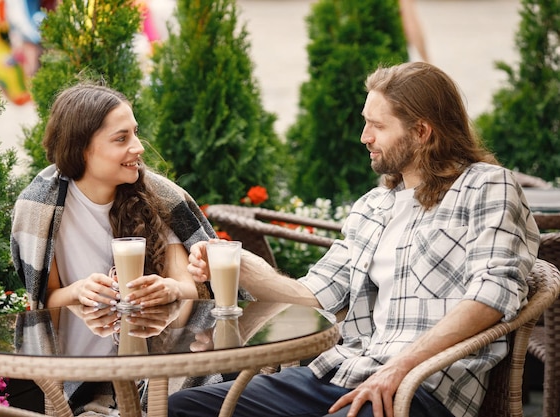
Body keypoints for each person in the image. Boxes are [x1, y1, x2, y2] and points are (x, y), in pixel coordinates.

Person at [170, 61, 540, 417]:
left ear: (422, 132)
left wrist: (401, 368)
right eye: (366, 123)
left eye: (377, 126)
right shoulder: (373, 206)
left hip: (423, 385)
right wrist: (247, 270)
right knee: (182, 408)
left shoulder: (486, 186)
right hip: (346, 371)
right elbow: (318, 294)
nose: (365, 137)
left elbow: (492, 294)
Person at [10, 83, 219, 414]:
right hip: (80, 381)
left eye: (135, 133)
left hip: (154, 370)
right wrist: (79, 291)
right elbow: (45, 302)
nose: (138, 147)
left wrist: (166, 288)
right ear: (81, 149)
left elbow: (191, 286)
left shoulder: (159, 198)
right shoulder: (40, 210)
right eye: (121, 139)